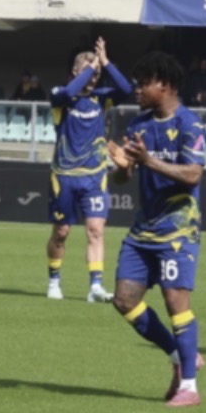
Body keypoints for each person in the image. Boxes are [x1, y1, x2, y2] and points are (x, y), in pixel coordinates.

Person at [106, 52, 206, 407]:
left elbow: (193, 174)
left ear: (163, 84)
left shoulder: (191, 125)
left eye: (142, 83)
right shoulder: (139, 125)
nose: (136, 89)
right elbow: (122, 180)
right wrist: (122, 168)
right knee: (124, 300)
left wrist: (149, 160)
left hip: (178, 231)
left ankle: (190, 388)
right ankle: (180, 355)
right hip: (143, 230)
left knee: (175, 300)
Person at [45, 38, 133, 302]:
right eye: (88, 71)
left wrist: (105, 62)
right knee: (61, 232)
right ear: (75, 71)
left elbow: (126, 88)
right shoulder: (60, 96)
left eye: (96, 74)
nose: (94, 77)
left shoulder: (101, 98)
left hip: (94, 176)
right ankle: (54, 280)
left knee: (95, 230)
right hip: (64, 176)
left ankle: (95, 286)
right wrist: (88, 68)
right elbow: (69, 91)